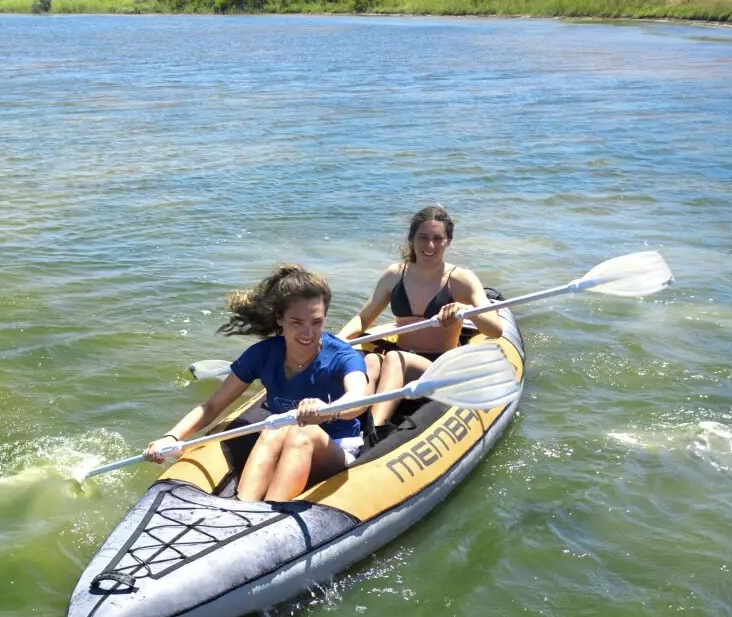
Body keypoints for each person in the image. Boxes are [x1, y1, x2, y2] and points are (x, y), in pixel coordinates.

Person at [143, 264, 369, 503]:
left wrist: (326, 411)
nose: (308, 333)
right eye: (297, 322)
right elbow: (212, 406)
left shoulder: (343, 356)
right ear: (280, 319)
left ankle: (270, 511)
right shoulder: (262, 354)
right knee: (274, 429)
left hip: (334, 448)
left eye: (316, 322)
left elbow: (358, 400)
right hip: (281, 439)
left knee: (301, 433)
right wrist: (172, 437)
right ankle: (243, 505)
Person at [335, 204, 502, 430]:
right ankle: (346, 419)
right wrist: (336, 341)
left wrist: (464, 309)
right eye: (423, 237)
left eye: (437, 238)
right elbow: (364, 319)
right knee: (372, 360)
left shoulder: (461, 279)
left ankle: (374, 430)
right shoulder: (395, 275)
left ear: (448, 241)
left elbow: (495, 330)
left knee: (395, 359)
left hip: (438, 365)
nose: (430, 245)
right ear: (412, 238)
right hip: (401, 357)